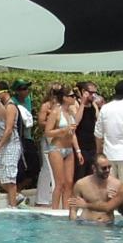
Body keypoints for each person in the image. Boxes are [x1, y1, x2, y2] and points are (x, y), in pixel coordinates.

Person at [41, 84, 80, 212]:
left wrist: (78, 150)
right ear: (64, 98)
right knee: (60, 183)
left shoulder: (71, 112)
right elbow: (47, 132)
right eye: (72, 95)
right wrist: (62, 130)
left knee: (69, 183)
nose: (74, 98)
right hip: (56, 149)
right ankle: (55, 210)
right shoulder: (55, 112)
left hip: (69, 150)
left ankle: (66, 211)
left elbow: (73, 134)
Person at [0, 81, 22, 207]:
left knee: (9, 177)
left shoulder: (11, 106)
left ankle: (12, 205)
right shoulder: (3, 105)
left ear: (5, 92)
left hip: (10, 144)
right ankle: (17, 196)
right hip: (1, 143)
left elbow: (9, 130)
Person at [70, 158, 120, 224]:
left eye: (109, 167)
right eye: (104, 168)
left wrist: (117, 201)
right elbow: (73, 210)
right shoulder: (81, 184)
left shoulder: (116, 184)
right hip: (86, 224)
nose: (107, 170)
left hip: (108, 225)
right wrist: (74, 225)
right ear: (94, 168)